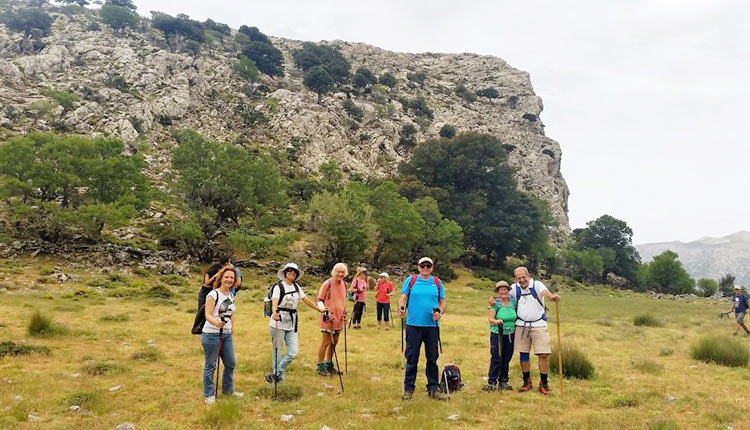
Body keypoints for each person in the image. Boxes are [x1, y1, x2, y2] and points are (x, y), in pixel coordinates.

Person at [398, 257, 447, 400]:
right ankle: (408, 389)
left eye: (428, 266)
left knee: (432, 357)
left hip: (432, 326)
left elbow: (442, 301)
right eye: (422, 265)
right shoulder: (411, 280)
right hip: (413, 325)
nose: (425, 268)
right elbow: (403, 297)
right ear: (418, 267)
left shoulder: (437, 282)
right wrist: (401, 308)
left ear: (432, 267)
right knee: (412, 357)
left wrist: (440, 312)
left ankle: (433, 388)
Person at [267, 262, 324, 383]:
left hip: (291, 323)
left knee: (293, 351)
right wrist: (274, 311)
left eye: (294, 271)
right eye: (289, 270)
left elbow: (306, 300)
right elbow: (274, 302)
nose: (292, 272)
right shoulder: (278, 287)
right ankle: (279, 381)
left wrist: (318, 309)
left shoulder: (297, 287)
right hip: (278, 321)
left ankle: (275, 373)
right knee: (277, 351)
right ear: (285, 272)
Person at [509, 266, 560, 395]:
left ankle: (544, 383)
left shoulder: (537, 285)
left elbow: (545, 293)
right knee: (523, 354)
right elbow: (504, 297)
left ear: (528, 276)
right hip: (521, 325)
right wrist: (493, 302)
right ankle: (527, 382)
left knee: (543, 354)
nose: (521, 280)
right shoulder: (514, 288)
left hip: (539, 325)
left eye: (523, 277)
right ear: (516, 278)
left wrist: (552, 297)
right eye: (518, 278)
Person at [201, 266, 243, 404]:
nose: (229, 280)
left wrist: (232, 328)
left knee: (230, 363)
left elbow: (231, 314)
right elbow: (207, 314)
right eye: (227, 277)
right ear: (221, 279)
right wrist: (216, 322)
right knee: (211, 365)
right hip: (211, 334)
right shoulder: (213, 294)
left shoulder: (230, 295)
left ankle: (228, 390)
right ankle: (209, 395)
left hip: (226, 335)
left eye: (232, 278)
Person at [316, 263, 348, 376]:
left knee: (334, 343)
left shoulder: (344, 284)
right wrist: (325, 311)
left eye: (342, 272)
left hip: (338, 319)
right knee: (325, 343)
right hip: (327, 318)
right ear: (333, 272)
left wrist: (344, 313)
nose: (340, 274)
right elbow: (319, 300)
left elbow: (343, 301)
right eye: (338, 272)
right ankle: (320, 366)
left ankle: (329, 365)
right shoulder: (327, 284)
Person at [484, 280, 516, 391]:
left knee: (506, 357)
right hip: (497, 333)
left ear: (508, 290)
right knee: (496, 357)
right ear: (498, 291)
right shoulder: (495, 303)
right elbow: (490, 319)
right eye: (501, 289)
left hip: (510, 334)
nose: (503, 291)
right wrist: (496, 321)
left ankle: (503, 381)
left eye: (505, 289)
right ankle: (492, 382)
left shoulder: (513, 302)